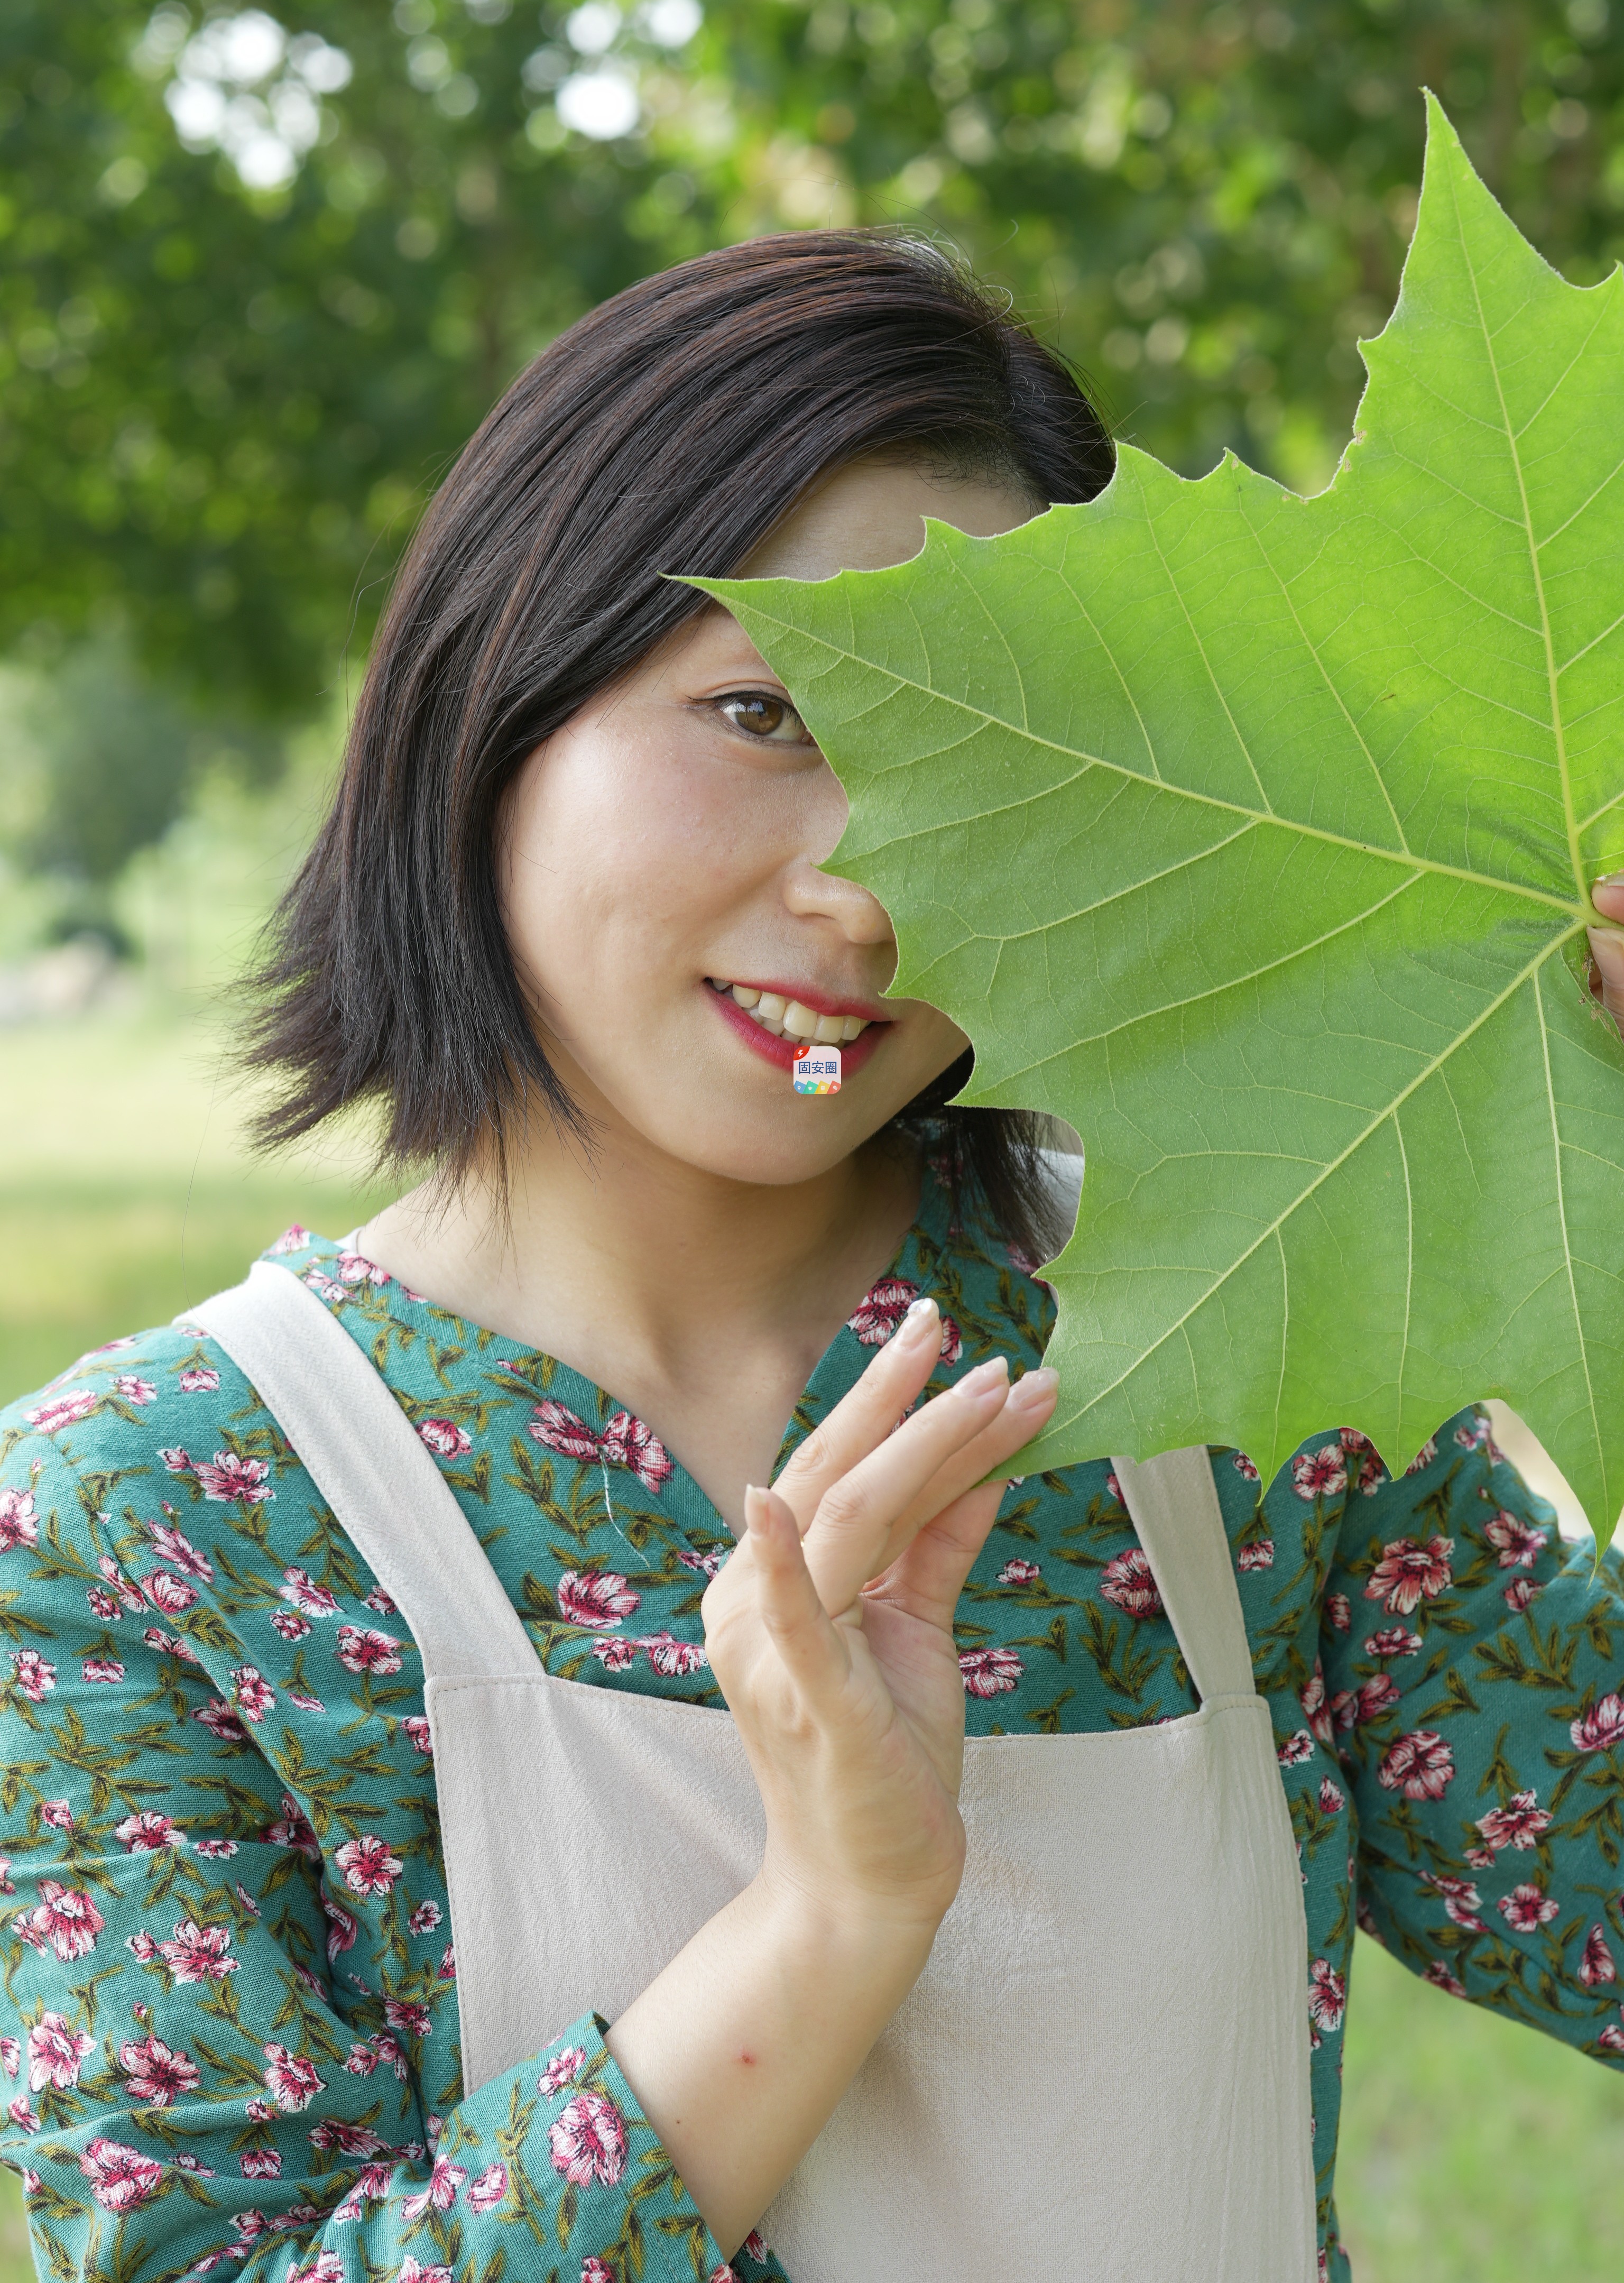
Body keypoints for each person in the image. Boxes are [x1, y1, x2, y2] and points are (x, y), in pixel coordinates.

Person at [1, 236, 1621, 2283]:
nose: (862, 895)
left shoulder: (1225, 1349)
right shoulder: (142, 1533)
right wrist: (829, 1920)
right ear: (498, 691)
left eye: (976, 780)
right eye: (765, 712)